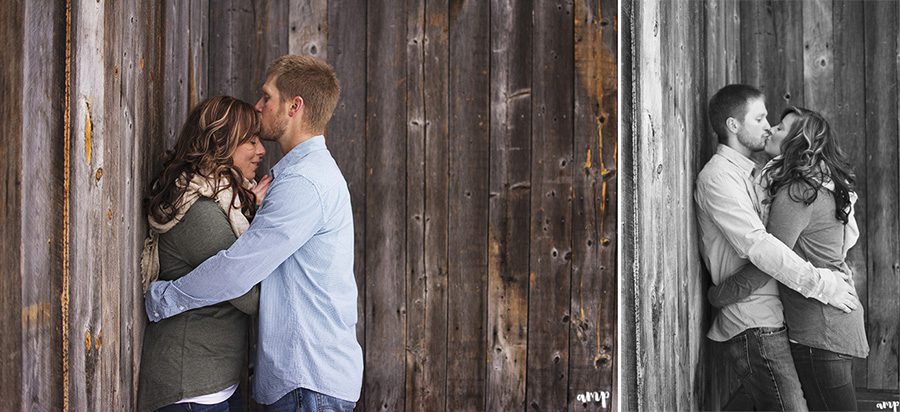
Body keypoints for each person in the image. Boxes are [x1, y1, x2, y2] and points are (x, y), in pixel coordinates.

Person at [144, 55, 360, 412]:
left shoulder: (304, 183)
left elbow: (237, 271)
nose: (259, 107)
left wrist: (163, 298)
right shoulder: (294, 177)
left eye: (266, 97)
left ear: (294, 106)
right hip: (301, 380)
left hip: (308, 380)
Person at [694, 84, 860, 411]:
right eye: (760, 118)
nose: (769, 125)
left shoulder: (761, 175)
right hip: (754, 318)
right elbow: (759, 246)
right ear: (733, 126)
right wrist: (824, 285)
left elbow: (828, 236)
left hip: (779, 316)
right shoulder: (719, 178)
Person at [137, 95, 269, 412]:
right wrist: (261, 221)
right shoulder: (199, 211)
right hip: (189, 387)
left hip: (214, 383)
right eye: (250, 140)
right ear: (220, 143)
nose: (261, 150)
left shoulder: (224, 201)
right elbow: (249, 296)